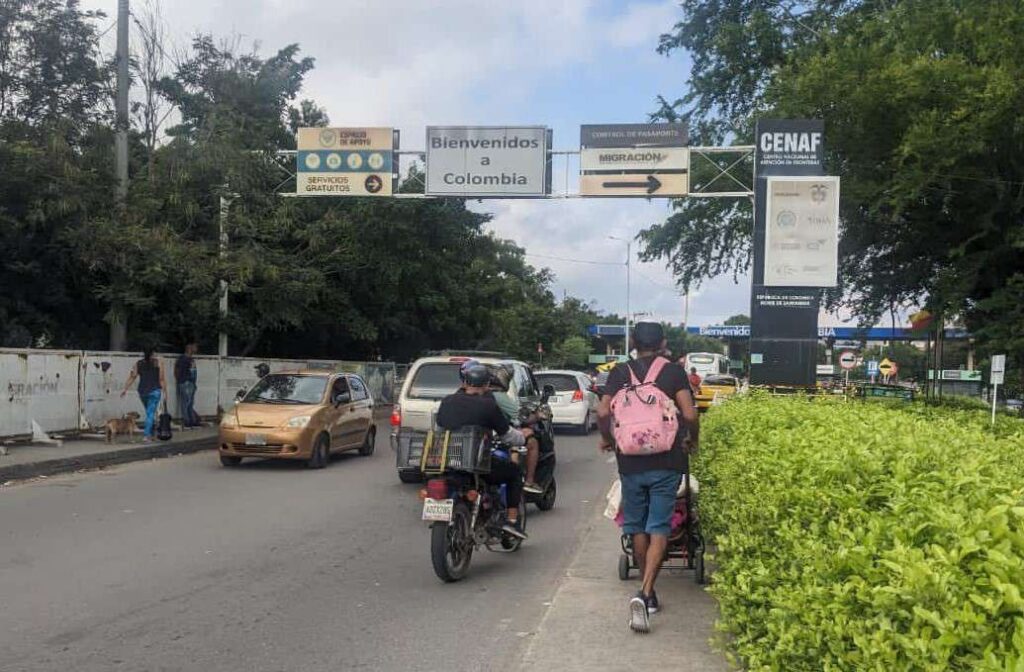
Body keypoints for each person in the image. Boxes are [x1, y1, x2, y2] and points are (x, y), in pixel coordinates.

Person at [596, 322, 699, 633]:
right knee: (659, 525)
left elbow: (602, 412)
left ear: (632, 341)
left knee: (636, 525)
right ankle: (645, 592)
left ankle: (648, 593)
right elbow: (690, 414)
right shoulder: (673, 372)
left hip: (630, 462)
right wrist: (692, 440)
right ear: (663, 343)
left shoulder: (618, 372)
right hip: (667, 461)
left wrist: (609, 439)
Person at [436, 363, 533, 539]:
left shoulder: (447, 401)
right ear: (487, 384)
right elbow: (508, 436)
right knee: (514, 472)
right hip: (477, 462)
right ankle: (511, 521)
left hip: (449, 460)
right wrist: (523, 436)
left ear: (464, 383)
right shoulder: (489, 405)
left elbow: (439, 429)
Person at [487, 364, 543, 495]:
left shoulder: (467, 394)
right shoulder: (498, 396)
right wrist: (537, 416)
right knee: (529, 442)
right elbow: (520, 416)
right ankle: (528, 481)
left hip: (482, 435)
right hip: (496, 434)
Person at [120, 347, 168, 443]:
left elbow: (133, 376)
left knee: (149, 412)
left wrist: (125, 389)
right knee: (150, 413)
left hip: (142, 392)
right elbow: (161, 379)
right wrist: (165, 392)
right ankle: (146, 436)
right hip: (155, 391)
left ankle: (151, 433)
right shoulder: (158, 363)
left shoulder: (139, 363)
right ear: (153, 353)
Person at [174, 342, 200, 429]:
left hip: (181, 382)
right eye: (193, 348)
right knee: (189, 403)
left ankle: (189, 420)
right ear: (189, 350)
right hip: (189, 383)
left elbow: (176, 370)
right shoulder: (191, 360)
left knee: (184, 403)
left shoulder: (180, 359)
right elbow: (193, 373)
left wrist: (179, 380)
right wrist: (193, 383)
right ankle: (189, 421)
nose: (195, 350)